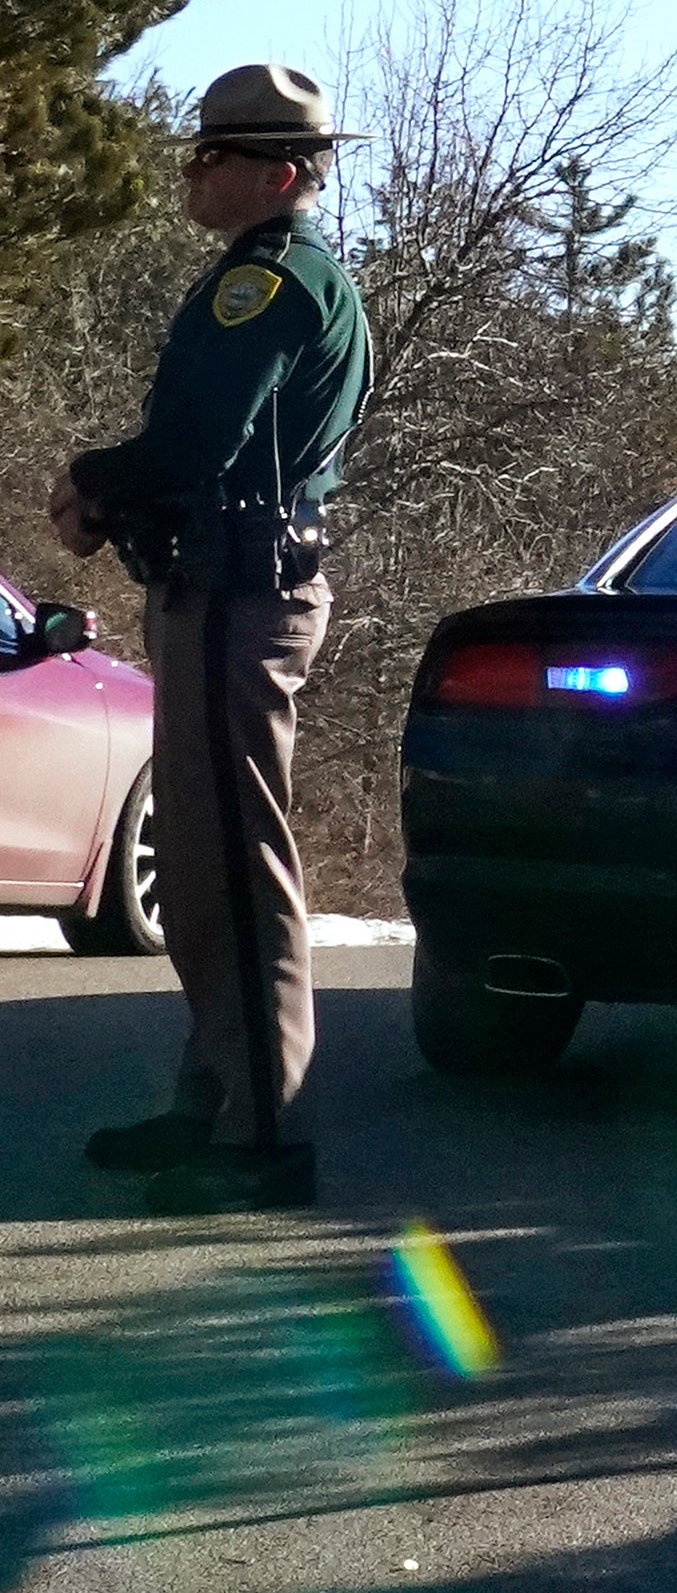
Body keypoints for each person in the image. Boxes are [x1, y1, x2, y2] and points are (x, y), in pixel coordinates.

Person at [43, 64, 374, 1214]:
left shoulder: (273, 283)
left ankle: (267, 1134)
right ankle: (213, 1103)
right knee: (196, 865)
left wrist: (92, 484)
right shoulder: (256, 277)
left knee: (238, 867)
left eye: (216, 156)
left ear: (280, 174)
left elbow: (196, 441)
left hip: (242, 588)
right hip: (211, 580)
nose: (194, 171)